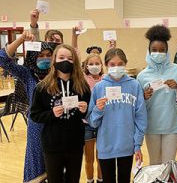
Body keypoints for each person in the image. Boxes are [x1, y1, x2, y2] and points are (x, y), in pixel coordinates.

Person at [30, 44, 91, 183]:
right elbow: (35, 115)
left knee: (73, 180)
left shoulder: (82, 86)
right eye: (61, 57)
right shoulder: (42, 87)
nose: (66, 61)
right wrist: (51, 114)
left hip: (75, 143)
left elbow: (87, 114)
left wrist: (84, 110)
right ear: (54, 60)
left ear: (74, 62)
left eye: (70, 59)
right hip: (52, 144)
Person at [0, 31, 55, 183]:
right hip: (36, 126)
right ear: (34, 57)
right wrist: (21, 39)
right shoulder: (28, 75)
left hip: (56, 125)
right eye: (40, 55)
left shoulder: (58, 74)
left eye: (48, 55)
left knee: (57, 165)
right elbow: (2, 59)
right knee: (37, 163)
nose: (45, 58)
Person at [87, 48, 147, 183]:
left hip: (127, 145)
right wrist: (98, 109)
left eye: (120, 64)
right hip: (106, 145)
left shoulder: (134, 85)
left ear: (125, 64)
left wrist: (137, 144)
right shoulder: (99, 87)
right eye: (112, 65)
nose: (116, 67)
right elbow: (92, 122)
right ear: (106, 65)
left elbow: (140, 117)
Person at [137, 25, 177, 165]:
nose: (158, 53)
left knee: (169, 164)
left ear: (168, 51)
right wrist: (144, 97)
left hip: (171, 125)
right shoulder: (141, 76)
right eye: (154, 50)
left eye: (162, 50)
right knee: (155, 164)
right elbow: (138, 106)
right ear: (149, 51)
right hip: (151, 126)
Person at [82, 53, 104, 183]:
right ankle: (90, 180)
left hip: (103, 123)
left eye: (97, 63)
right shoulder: (83, 78)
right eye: (91, 64)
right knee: (89, 158)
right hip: (86, 123)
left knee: (101, 157)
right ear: (86, 66)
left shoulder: (106, 79)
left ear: (102, 66)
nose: (94, 66)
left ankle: (101, 179)